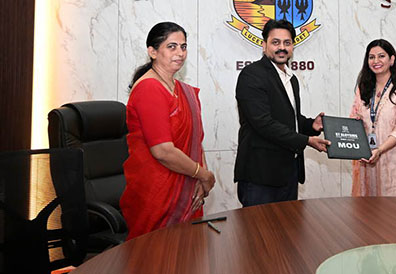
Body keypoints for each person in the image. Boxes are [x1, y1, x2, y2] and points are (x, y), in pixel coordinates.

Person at [120, 22, 216, 239]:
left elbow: (195, 141)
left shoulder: (183, 90)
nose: (180, 53)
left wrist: (200, 178)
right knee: (157, 254)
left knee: (187, 252)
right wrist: (203, 174)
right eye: (171, 46)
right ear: (152, 52)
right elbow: (162, 151)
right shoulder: (149, 88)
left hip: (188, 184)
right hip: (157, 193)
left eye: (183, 47)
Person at [234, 19, 331, 207]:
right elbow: (263, 123)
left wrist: (311, 125)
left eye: (287, 43)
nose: (282, 48)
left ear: (292, 46)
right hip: (261, 176)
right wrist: (306, 141)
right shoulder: (252, 74)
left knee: (289, 226)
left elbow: (288, 118)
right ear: (264, 45)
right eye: (275, 42)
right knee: (258, 227)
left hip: (288, 173)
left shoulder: (291, 79)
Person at [350, 39, 396, 197]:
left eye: (381, 56)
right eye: (371, 57)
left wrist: (379, 150)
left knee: (394, 208)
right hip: (367, 159)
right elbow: (355, 120)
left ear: (392, 59)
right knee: (368, 208)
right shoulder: (364, 88)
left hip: (394, 159)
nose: (376, 61)